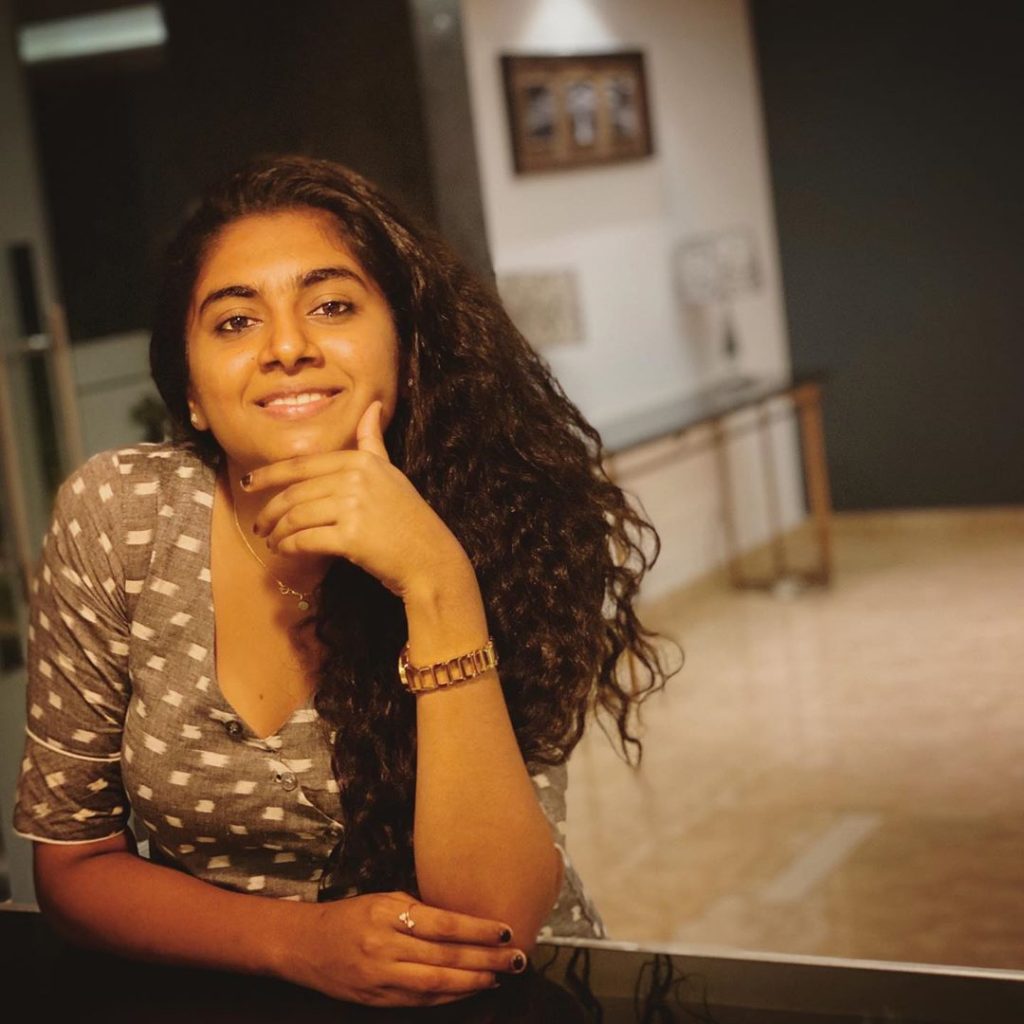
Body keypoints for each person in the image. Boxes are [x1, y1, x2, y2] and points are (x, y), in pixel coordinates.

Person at [12, 155, 673, 1007]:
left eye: (331, 306)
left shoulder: (507, 519)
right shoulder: (119, 515)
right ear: (193, 394)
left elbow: (495, 921)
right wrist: (299, 944)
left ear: (404, 347)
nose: (288, 348)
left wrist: (437, 582)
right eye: (236, 321)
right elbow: (72, 869)